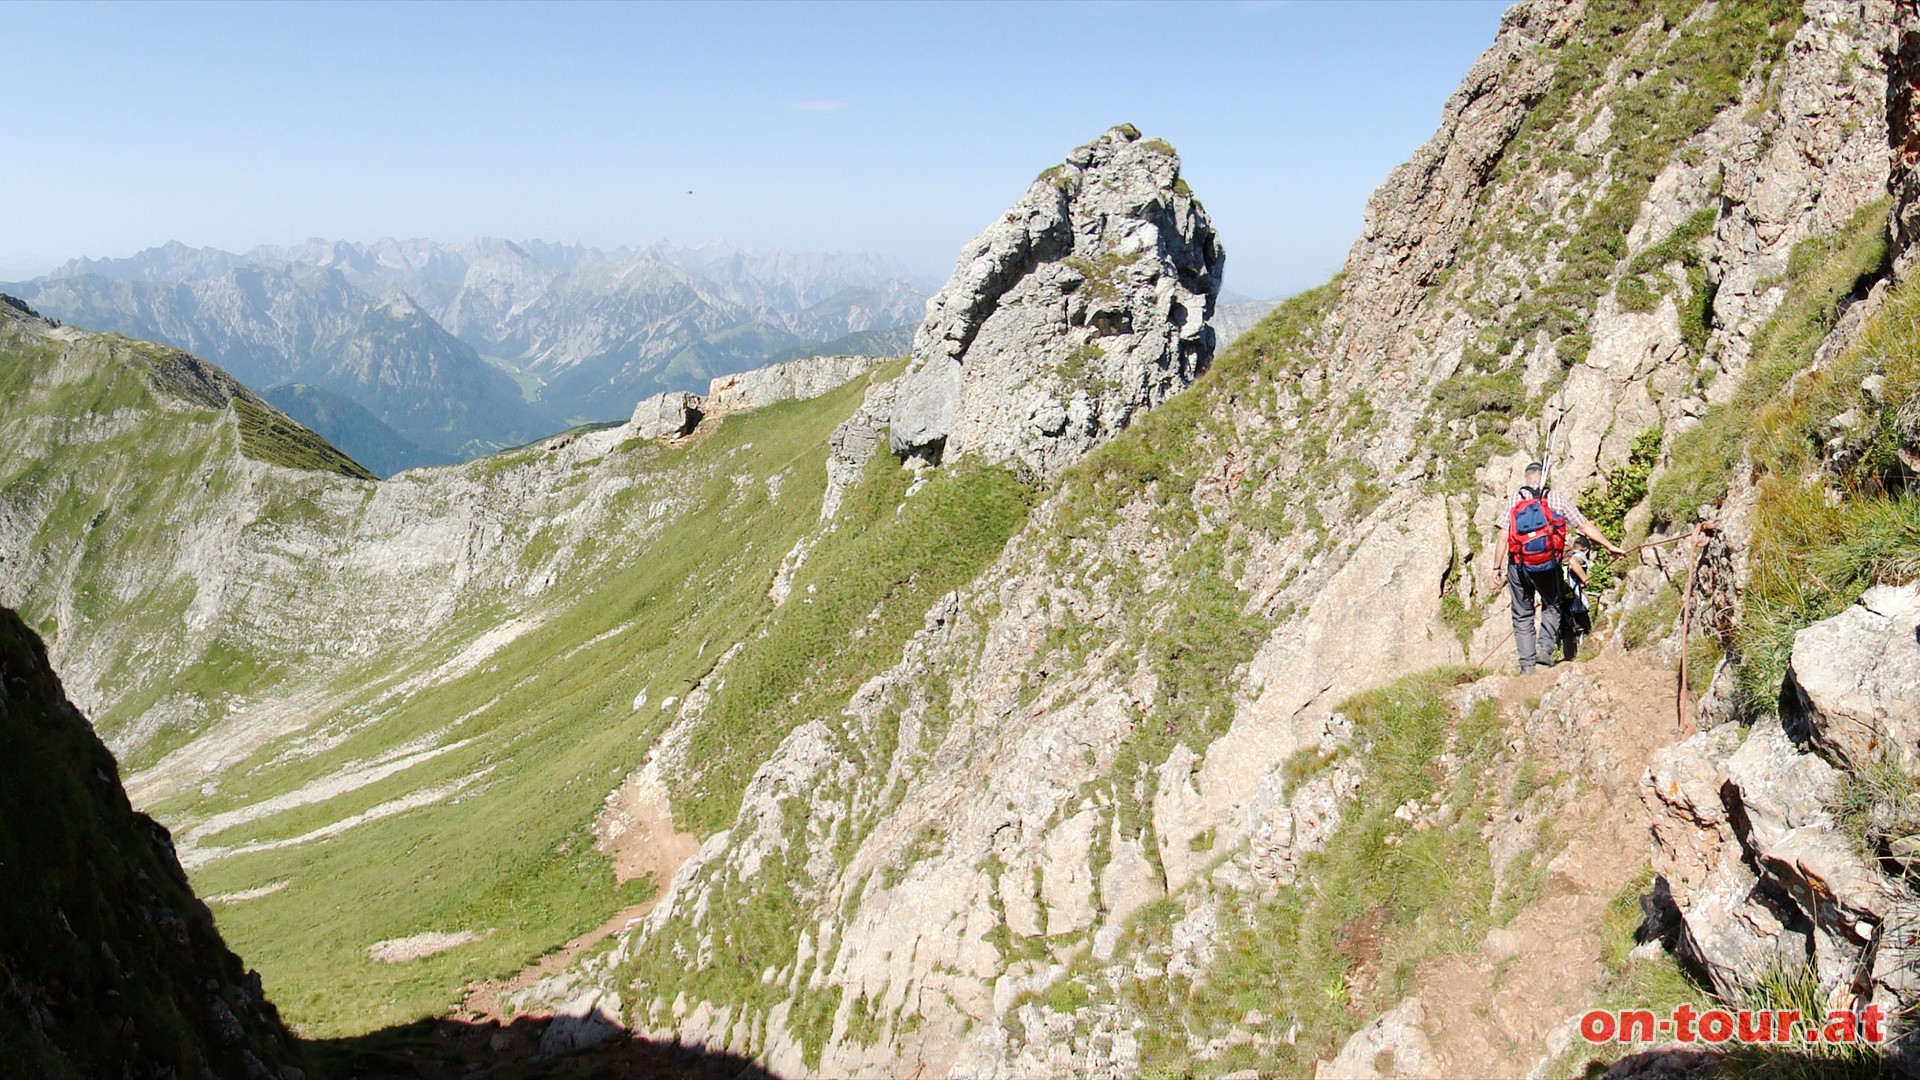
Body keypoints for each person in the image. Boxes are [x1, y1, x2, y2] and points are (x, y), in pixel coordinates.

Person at [1490, 462, 1625, 673]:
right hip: (1547, 565)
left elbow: (1502, 535)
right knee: (1552, 604)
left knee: (1522, 613)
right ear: (1545, 478)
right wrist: (1609, 545)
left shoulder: (1515, 499)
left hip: (1517, 564)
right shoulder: (1556, 499)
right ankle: (1544, 648)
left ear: (1526, 478)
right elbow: (1583, 524)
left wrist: (1496, 567)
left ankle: (1527, 667)